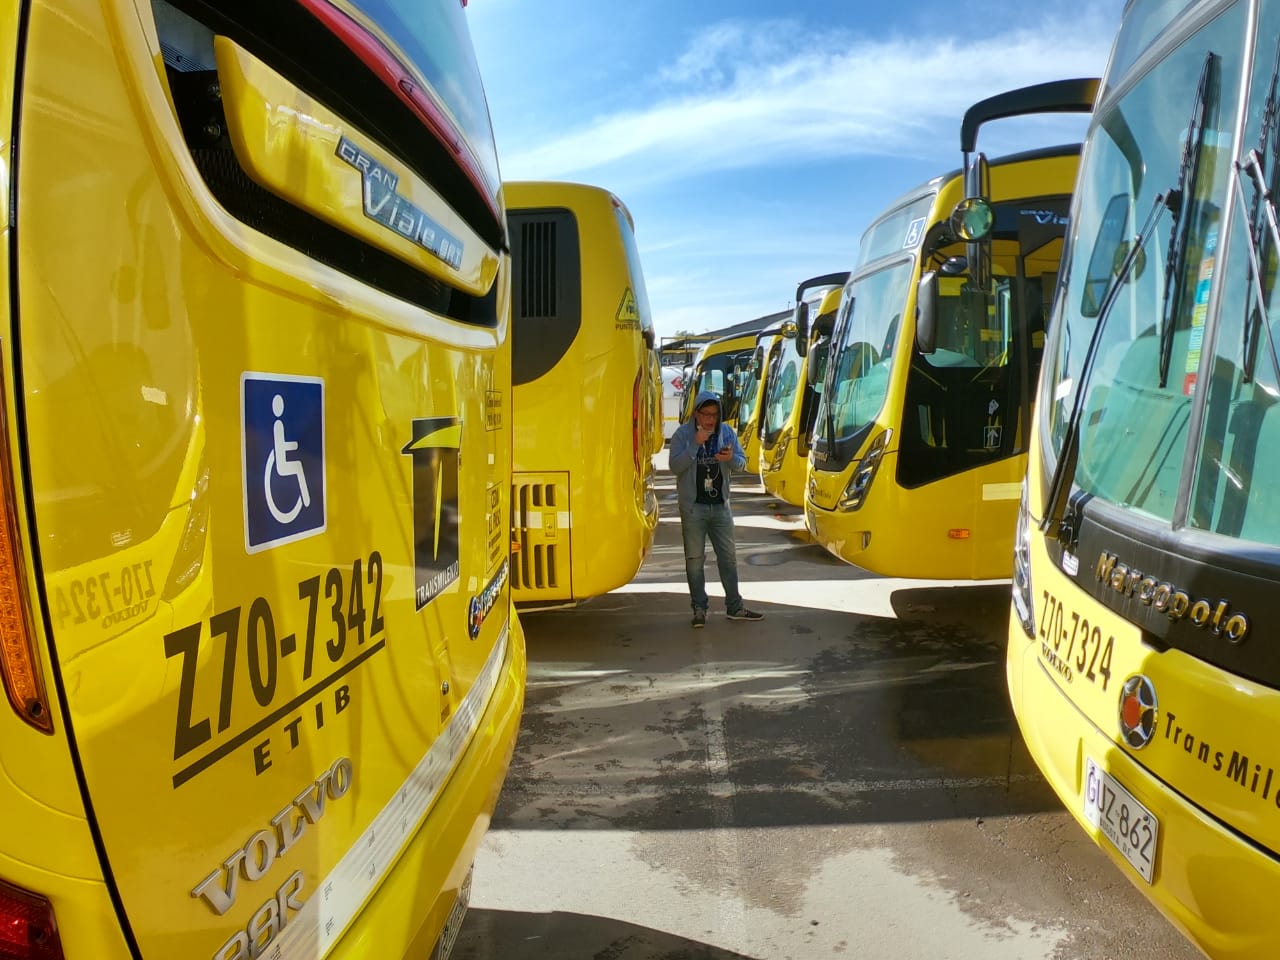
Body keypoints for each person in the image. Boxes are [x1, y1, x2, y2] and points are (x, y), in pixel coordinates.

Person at [669, 389, 764, 628]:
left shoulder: (727, 433)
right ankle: (699, 608)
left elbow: (742, 464)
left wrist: (730, 458)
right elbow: (675, 467)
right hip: (694, 509)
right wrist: (694, 445)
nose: (710, 419)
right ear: (696, 414)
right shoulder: (682, 435)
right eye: (706, 414)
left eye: (715, 414)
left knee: (728, 559)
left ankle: (734, 607)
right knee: (694, 560)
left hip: (720, 508)